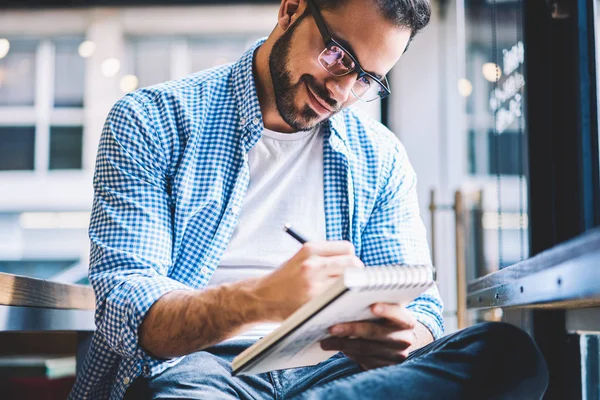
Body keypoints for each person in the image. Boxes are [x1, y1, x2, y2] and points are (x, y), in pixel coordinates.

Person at [70, 0, 549, 398]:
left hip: (333, 373)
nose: (341, 90)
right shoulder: (153, 120)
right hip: (204, 369)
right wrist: (258, 300)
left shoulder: (378, 156)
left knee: (506, 354)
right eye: (338, 55)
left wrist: (400, 338)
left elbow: (423, 313)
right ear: (291, 9)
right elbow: (124, 311)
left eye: (366, 79)